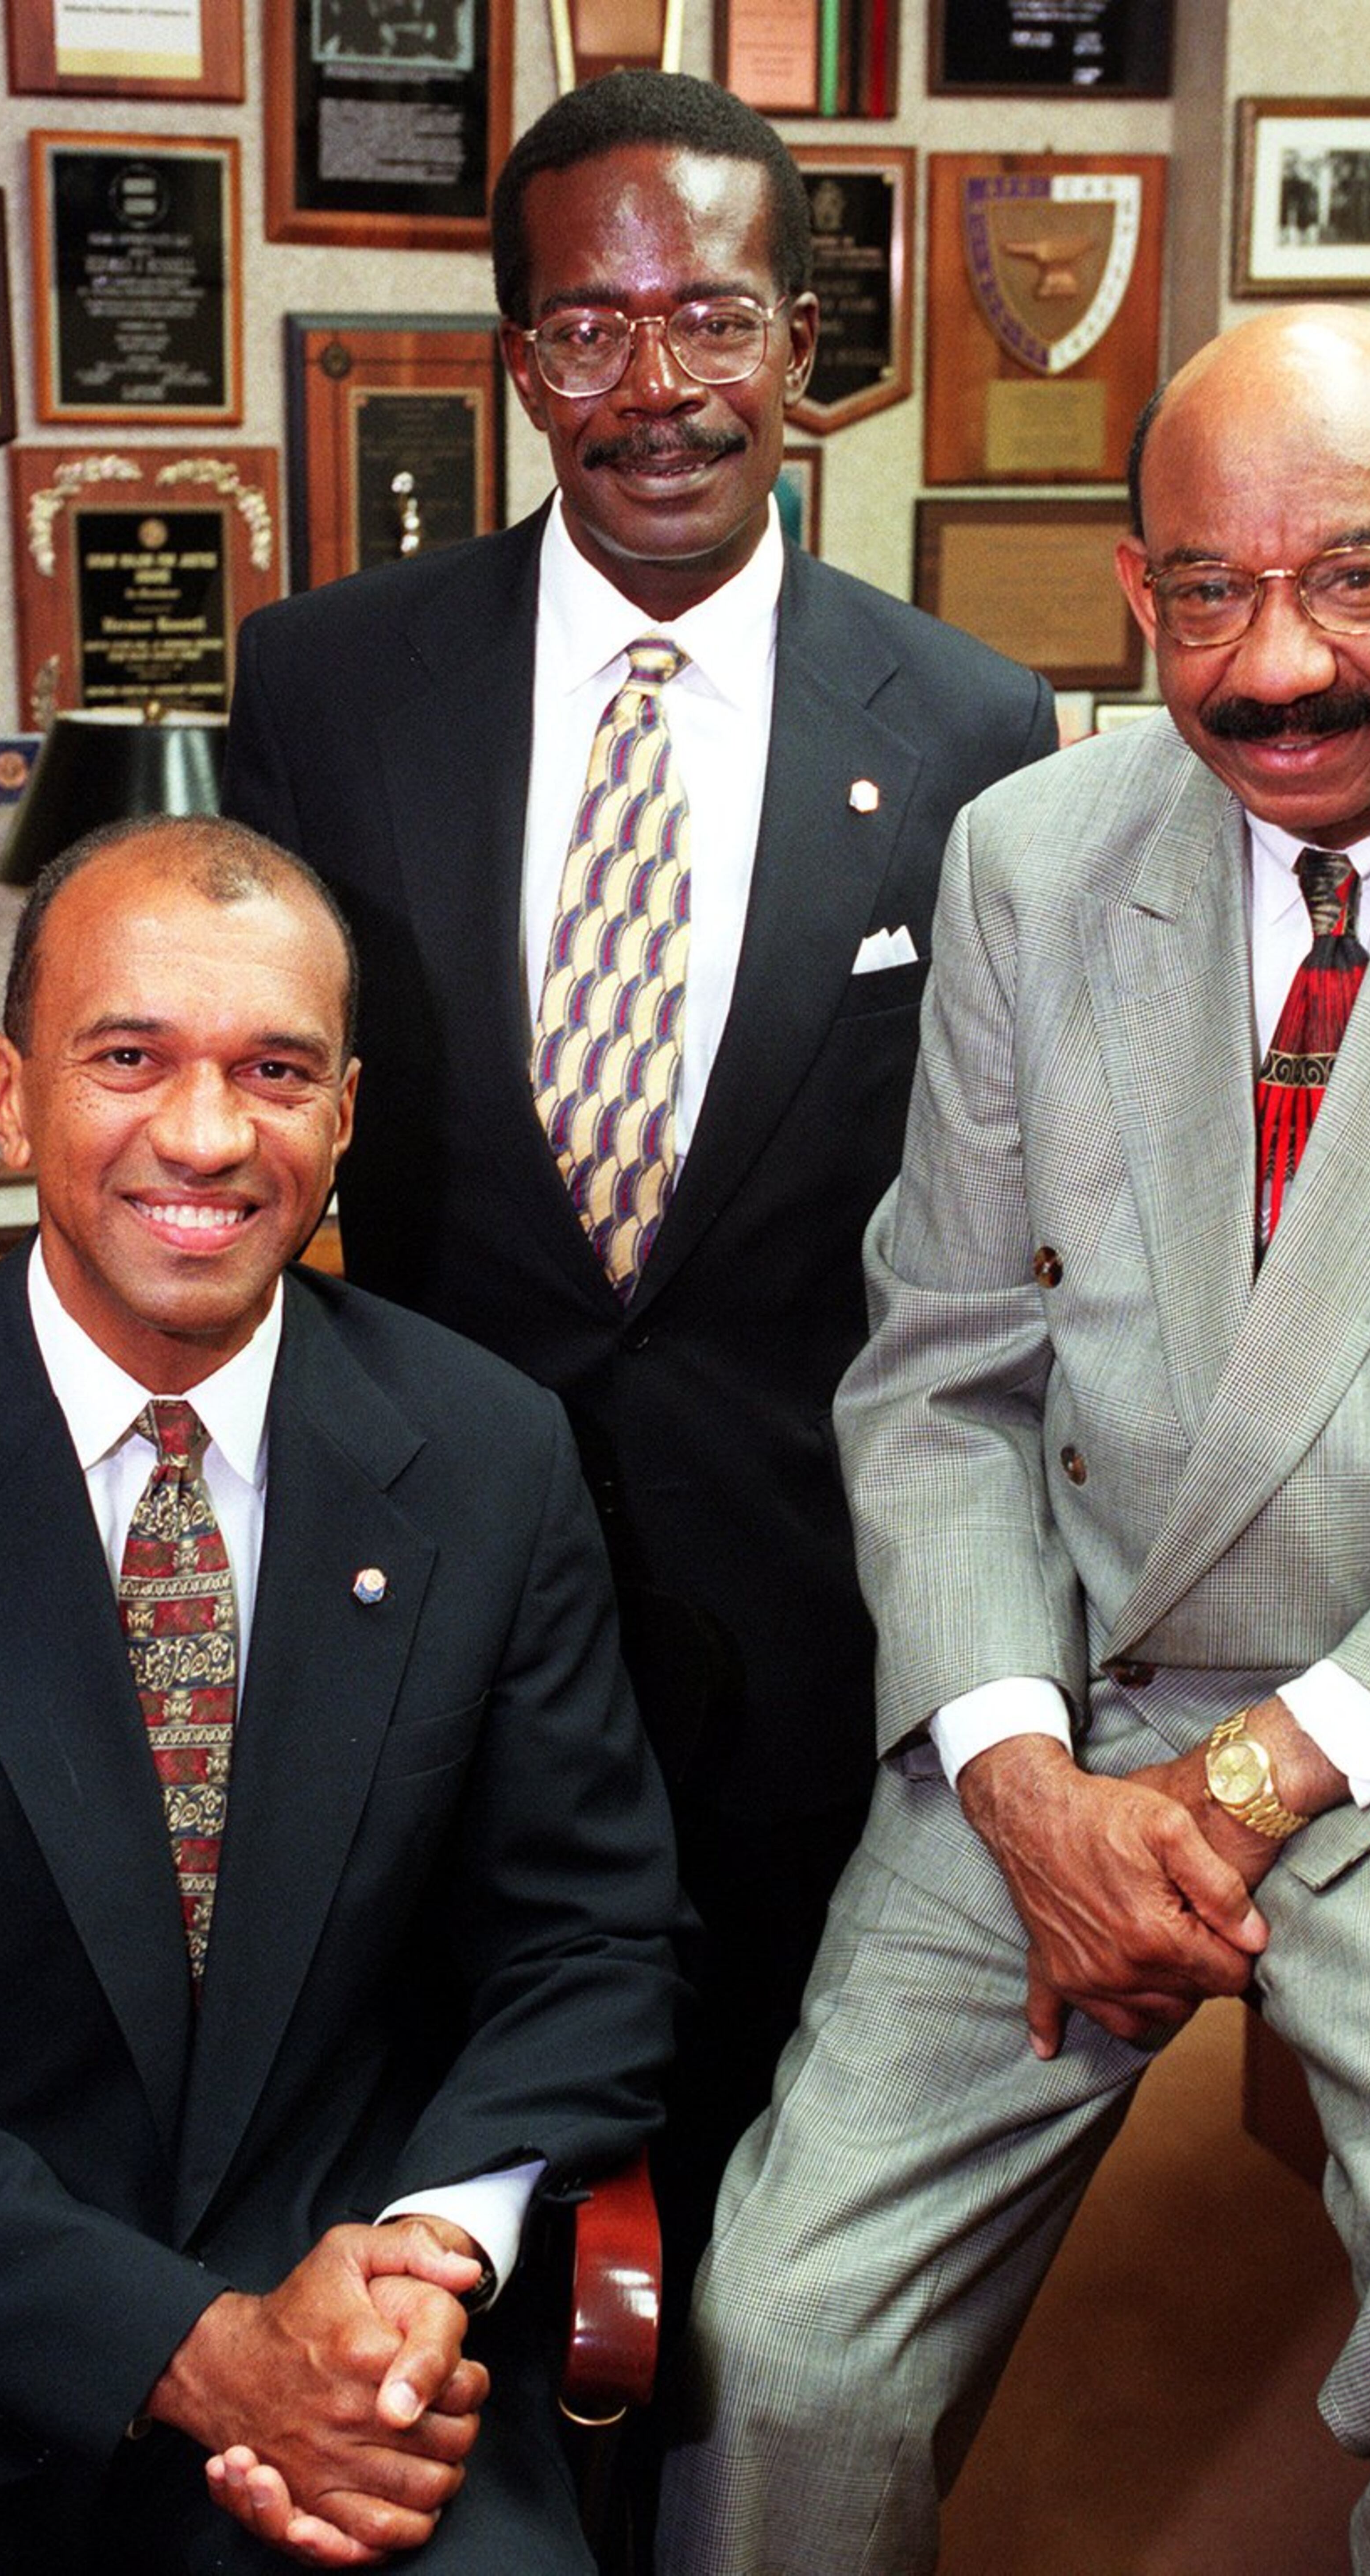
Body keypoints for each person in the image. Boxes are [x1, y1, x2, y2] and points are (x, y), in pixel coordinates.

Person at [659, 306, 1370, 2576]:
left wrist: (1273, 1772)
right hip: (1067, 1704)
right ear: (1130, 586)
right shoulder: (1033, 859)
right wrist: (1016, 1770)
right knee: (779, 2340)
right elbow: (944, 1367)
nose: (1276, 666)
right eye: (1209, 591)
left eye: (1354, 576)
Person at [222, 68, 1056, 2275]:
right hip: (417, 1601)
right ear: (517, 367)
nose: (654, 386)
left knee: (767, 2220)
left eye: (713, 319)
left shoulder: (974, 727)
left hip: (808, 1617)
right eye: (585, 331)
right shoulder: (325, 682)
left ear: (804, 344)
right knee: (413, 2168)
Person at [0, 815, 682, 2576]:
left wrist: (428, 2262)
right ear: (10, 1097)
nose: (204, 1135)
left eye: (274, 1070)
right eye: (127, 1060)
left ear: (342, 1115)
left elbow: (592, 1938)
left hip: (359, 2344)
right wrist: (190, 2354)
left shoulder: (485, 1453)